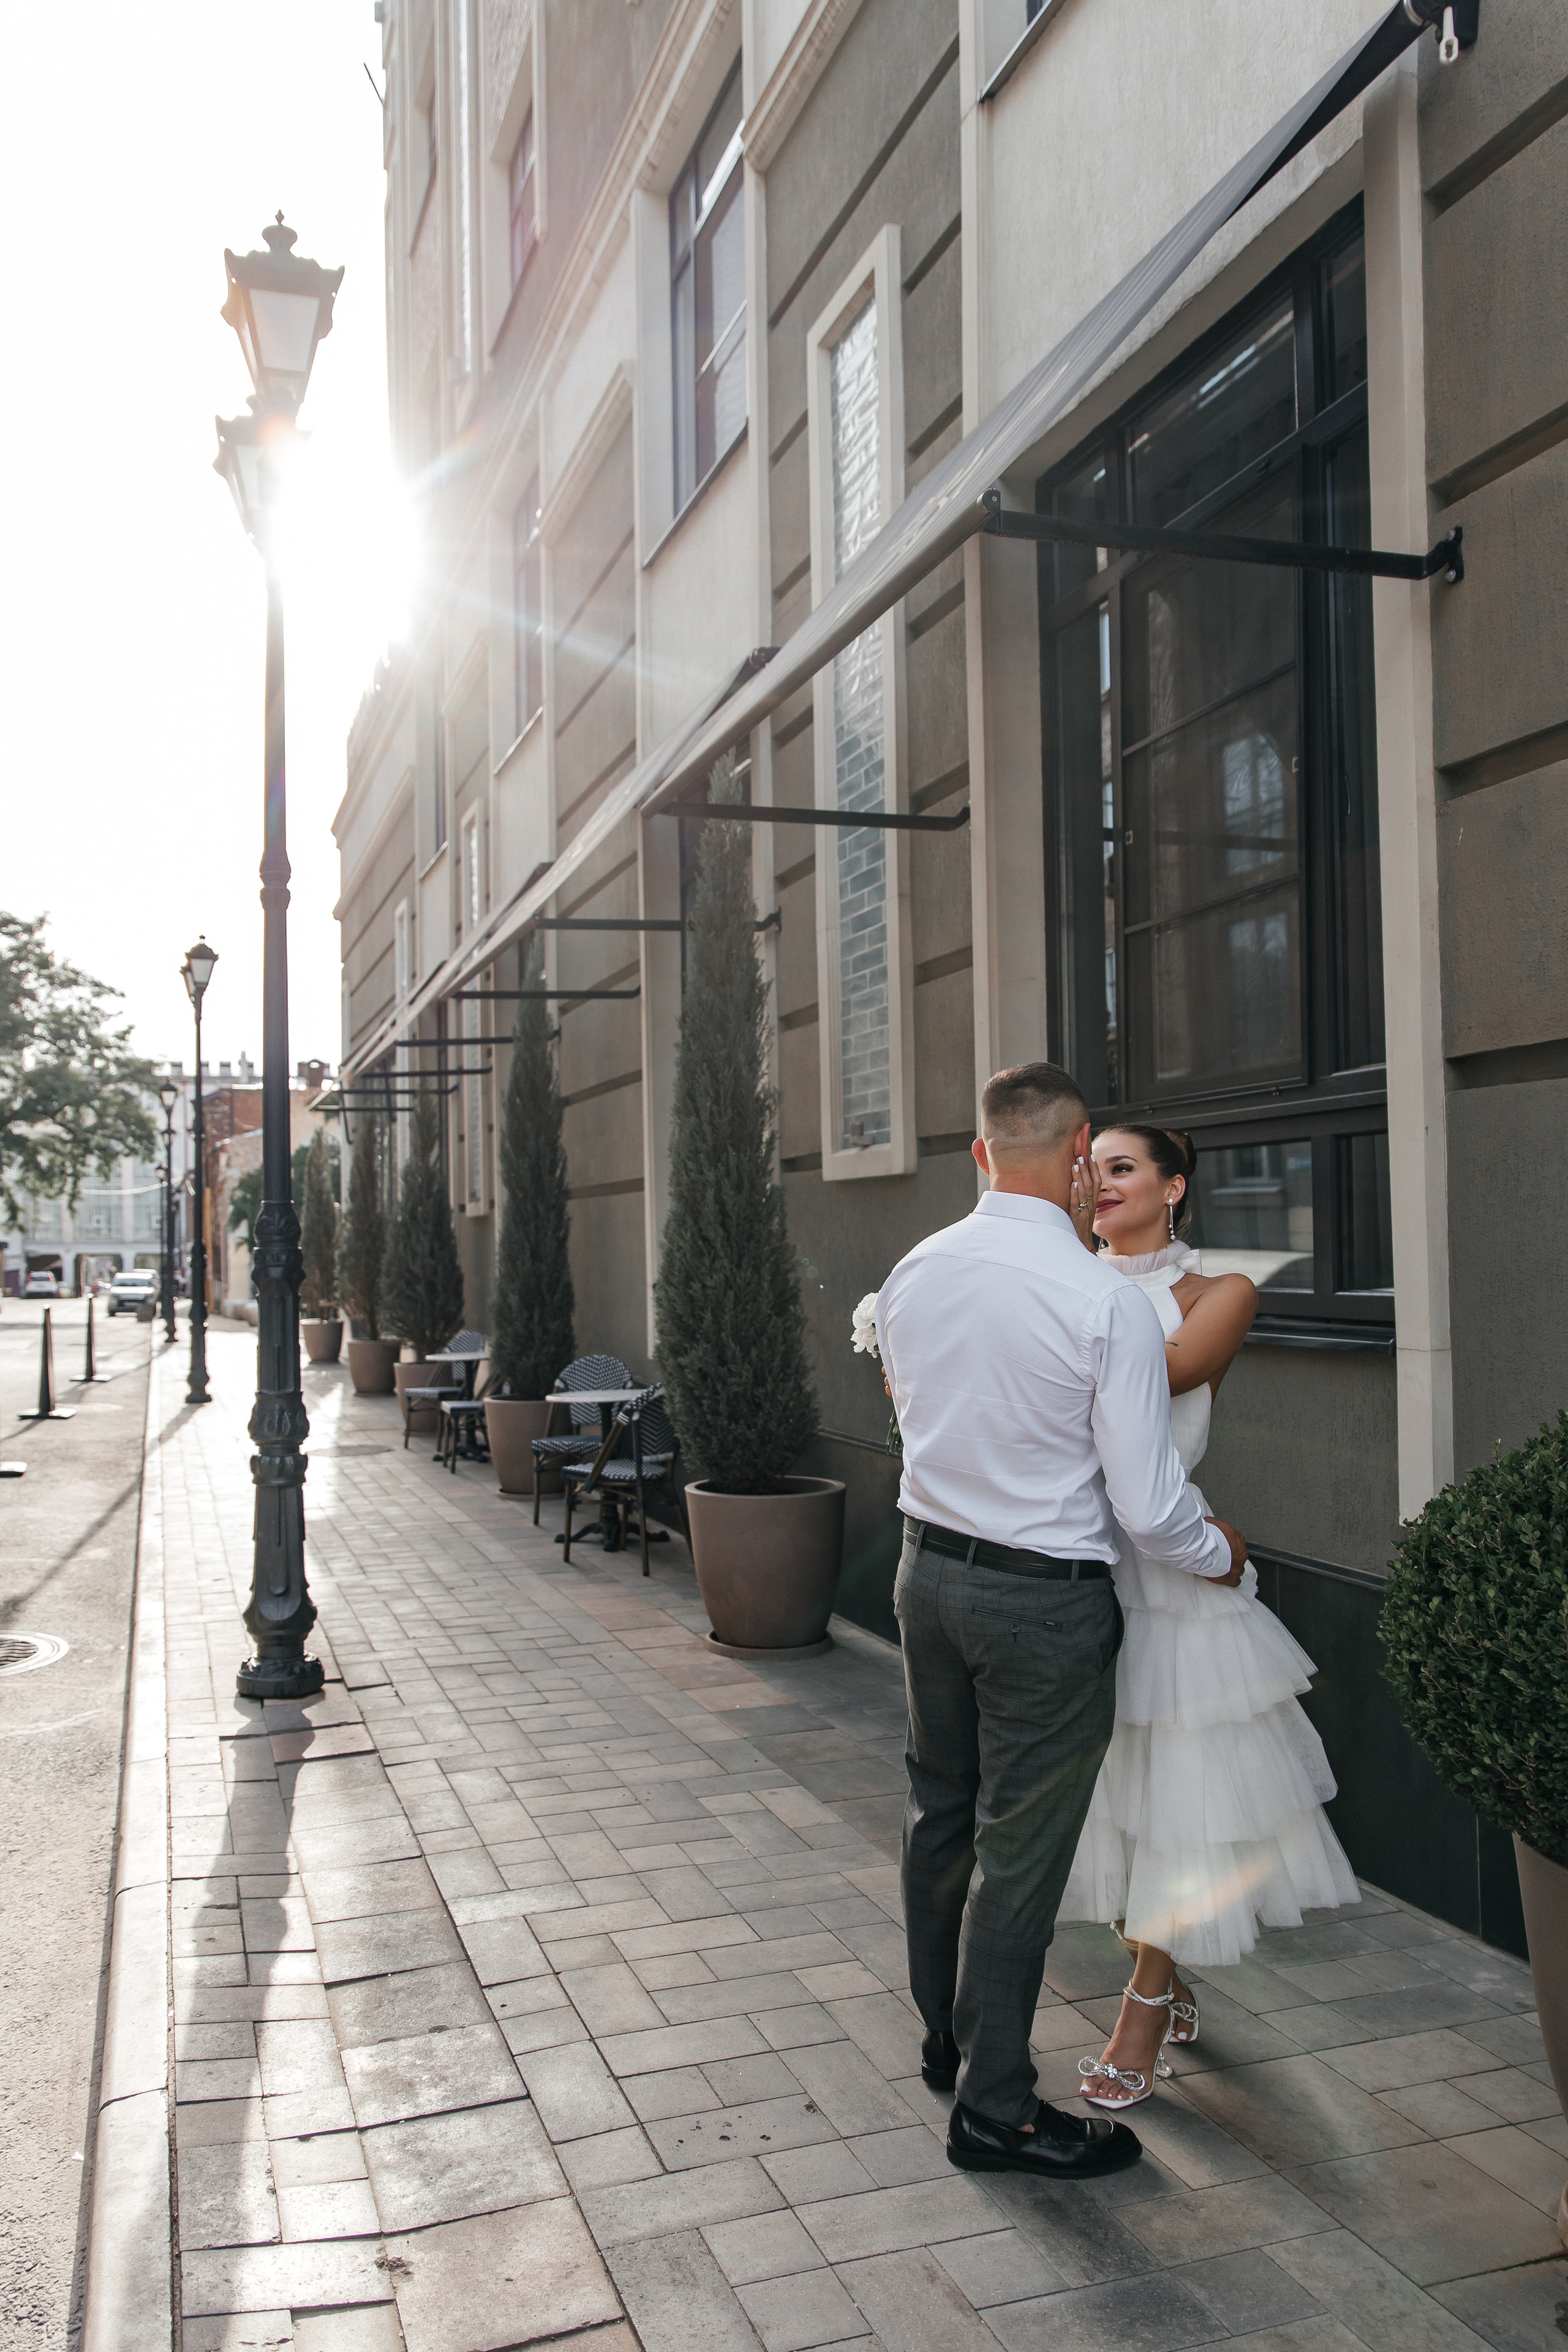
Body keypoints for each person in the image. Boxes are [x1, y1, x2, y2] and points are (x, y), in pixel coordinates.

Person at [874, 1062, 1248, 2180]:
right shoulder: (1099, 1303)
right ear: (1079, 1153)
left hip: (924, 1574)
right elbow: (1145, 1503)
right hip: (1042, 1601)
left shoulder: (914, 1270)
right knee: (1020, 1857)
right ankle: (994, 2109)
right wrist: (1215, 1556)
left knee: (939, 1810)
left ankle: (946, 2041)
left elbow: (916, 1420)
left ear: (982, 1153)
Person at [1060, 1126, 1360, 2111]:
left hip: (1175, 1585)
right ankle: (1166, 1970)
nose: (1099, 1183)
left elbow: (1161, 1379)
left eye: (1122, 1167)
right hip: (1074, 1573)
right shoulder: (1062, 1276)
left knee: (1178, 1813)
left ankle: (1141, 2017)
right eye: (1088, 1168)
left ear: (1173, 1185)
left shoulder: (1216, 1293)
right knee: (1108, 1809)